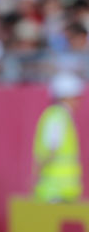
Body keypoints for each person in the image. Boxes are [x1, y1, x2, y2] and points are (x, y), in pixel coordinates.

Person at [32, 71, 84, 203]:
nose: (78, 101)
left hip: (61, 192)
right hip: (54, 193)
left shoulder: (60, 116)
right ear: (65, 97)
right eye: (75, 96)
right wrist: (37, 176)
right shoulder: (57, 116)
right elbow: (51, 149)